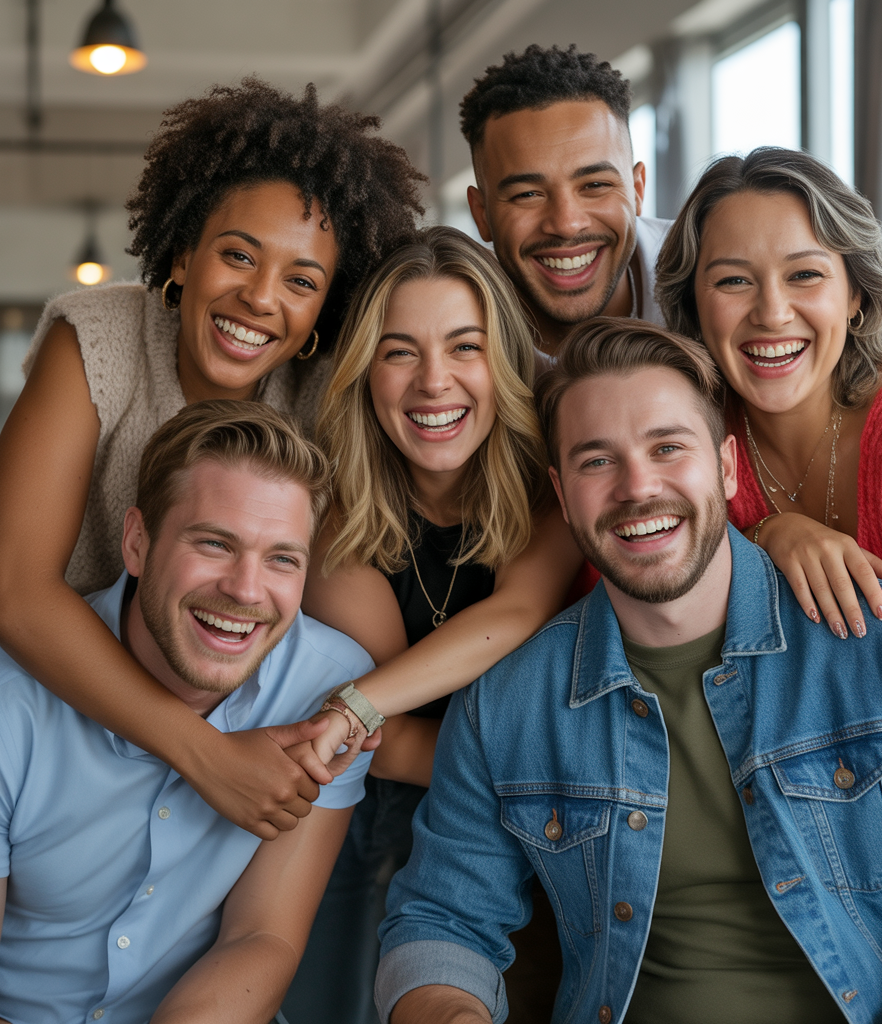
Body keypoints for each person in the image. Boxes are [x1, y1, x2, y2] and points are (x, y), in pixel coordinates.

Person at [375, 320, 882, 1024]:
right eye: (598, 462)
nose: (637, 487)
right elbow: (437, 921)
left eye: (666, 448)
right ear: (562, 497)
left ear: (726, 467)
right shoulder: (507, 702)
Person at [0, 78, 423, 839]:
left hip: (242, 726)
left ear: (326, 307)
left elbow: (357, 636)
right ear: (184, 253)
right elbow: (13, 590)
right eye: (238, 255)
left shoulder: (322, 395)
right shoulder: (100, 338)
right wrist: (204, 754)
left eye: (302, 281)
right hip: (54, 719)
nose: (262, 298)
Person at [282, 226, 581, 1023]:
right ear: (366, 372)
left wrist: (354, 706)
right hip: (400, 795)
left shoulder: (555, 482)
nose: (433, 383)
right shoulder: (338, 511)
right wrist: (370, 717)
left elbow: (517, 612)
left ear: (504, 363)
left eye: (464, 347)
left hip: (552, 809)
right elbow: (397, 743)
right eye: (400, 351)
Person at [0, 401, 375, 1024]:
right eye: (214, 544)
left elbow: (263, 937)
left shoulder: (329, 689)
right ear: (137, 542)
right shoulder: (12, 700)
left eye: (282, 558)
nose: (246, 590)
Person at [655, 146, 882, 726]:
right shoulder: (686, 433)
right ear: (692, 306)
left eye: (804, 274)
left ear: (854, 295)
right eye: (733, 281)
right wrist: (765, 537)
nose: (772, 313)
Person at [460, 44, 672, 359]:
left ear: (638, 190)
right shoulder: (454, 342)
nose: (566, 224)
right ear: (482, 214)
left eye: (595, 185)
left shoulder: (710, 283)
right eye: (527, 194)